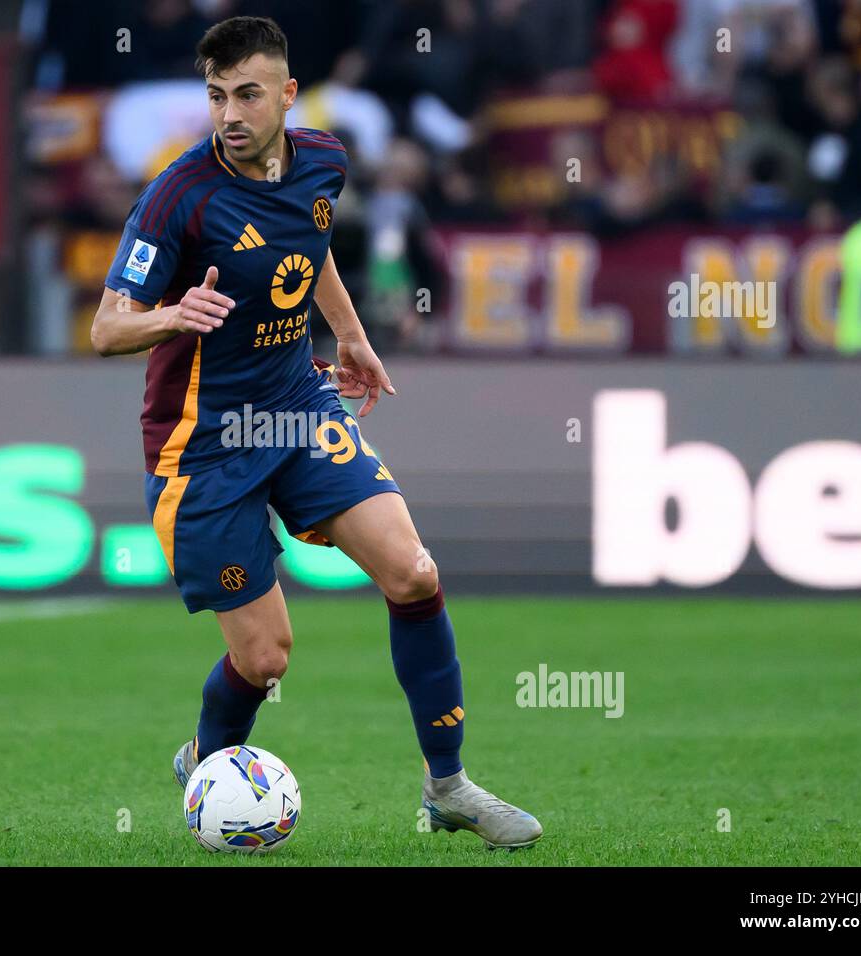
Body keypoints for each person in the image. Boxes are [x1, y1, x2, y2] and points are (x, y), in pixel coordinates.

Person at [89, 16, 541, 850]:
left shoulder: (324, 160)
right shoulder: (178, 196)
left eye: (248, 95)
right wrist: (170, 315)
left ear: (287, 96)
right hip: (205, 444)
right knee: (266, 661)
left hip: (297, 406)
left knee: (412, 572)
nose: (230, 113)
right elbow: (106, 329)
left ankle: (450, 786)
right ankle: (208, 761)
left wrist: (352, 334)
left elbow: (313, 243)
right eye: (218, 96)